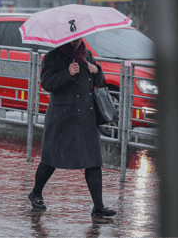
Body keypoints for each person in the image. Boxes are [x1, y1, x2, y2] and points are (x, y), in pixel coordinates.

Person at [28, 38, 117, 218]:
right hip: (62, 117)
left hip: (86, 115)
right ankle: (36, 193)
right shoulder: (52, 57)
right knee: (51, 158)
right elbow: (47, 83)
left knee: (93, 161)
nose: (77, 42)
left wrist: (96, 69)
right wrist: (67, 73)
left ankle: (98, 207)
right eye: (73, 39)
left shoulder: (87, 55)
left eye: (79, 39)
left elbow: (99, 81)